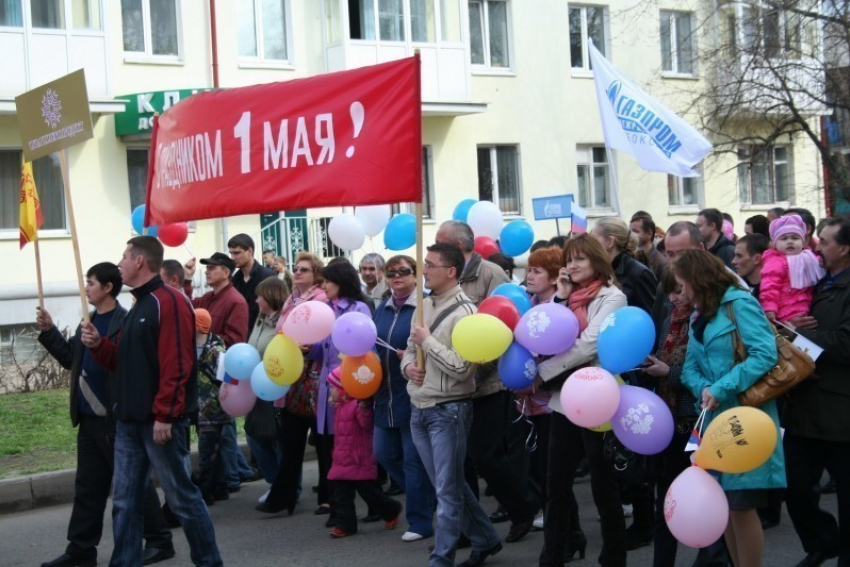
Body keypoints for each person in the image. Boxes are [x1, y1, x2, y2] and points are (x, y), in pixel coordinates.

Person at [81, 236, 223, 567]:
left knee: (183, 499)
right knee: (125, 503)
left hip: (159, 423)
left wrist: (166, 415)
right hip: (129, 422)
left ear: (140, 261)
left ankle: (209, 561)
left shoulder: (168, 302)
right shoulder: (138, 306)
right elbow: (126, 361)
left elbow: (178, 362)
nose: (119, 264)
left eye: (124, 257)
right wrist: (99, 345)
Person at [35, 262, 175, 567]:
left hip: (114, 417)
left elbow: (129, 366)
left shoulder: (123, 321)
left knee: (133, 484)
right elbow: (72, 359)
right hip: (87, 419)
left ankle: (159, 540)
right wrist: (49, 332)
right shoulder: (90, 318)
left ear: (108, 288)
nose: (86, 288)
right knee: (88, 487)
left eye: (91, 282)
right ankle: (81, 549)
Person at [676, 249, 785, 567]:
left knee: (740, 504)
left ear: (698, 278)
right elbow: (688, 370)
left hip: (746, 419)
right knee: (723, 505)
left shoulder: (739, 302)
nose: (681, 293)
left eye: (683, 285)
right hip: (713, 421)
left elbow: (765, 354)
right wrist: (706, 389)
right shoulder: (700, 315)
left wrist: (720, 388)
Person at [436, 220, 538, 544]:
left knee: (486, 457)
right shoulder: (445, 278)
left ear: (459, 245)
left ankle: (523, 508)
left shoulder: (492, 274)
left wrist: (475, 369)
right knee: (460, 460)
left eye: (440, 244)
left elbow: (505, 325)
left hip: (489, 382)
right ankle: (470, 527)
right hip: (454, 380)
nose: (435, 252)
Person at [402, 242, 502, 567]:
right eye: (424, 264)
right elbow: (407, 348)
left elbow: (463, 368)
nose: (424, 270)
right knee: (449, 486)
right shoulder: (423, 304)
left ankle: (441, 559)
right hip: (420, 406)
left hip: (449, 410)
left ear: (451, 271)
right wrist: (408, 367)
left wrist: (427, 343)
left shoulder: (468, 313)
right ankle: (486, 538)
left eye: (430, 265)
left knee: (447, 491)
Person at [536, 234, 628, 567]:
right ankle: (553, 558)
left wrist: (543, 371)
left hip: (597, 395)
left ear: (597, 262)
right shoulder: (568, 296)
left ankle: (614, 558)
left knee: (604, 486)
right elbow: (545, 331)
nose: (572, 266)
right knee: (555, 485)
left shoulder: (612, 297)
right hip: (564, 399)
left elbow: (590, 344)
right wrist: (560, 297)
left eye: (580, 260)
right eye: (569, 259)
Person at [783, 217, 850, 567]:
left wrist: (800, 338)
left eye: (823, 241)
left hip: (841, 410)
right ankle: (823, 541)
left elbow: (845, 344)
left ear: (845, 248)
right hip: (807, 405)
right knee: (795, 486)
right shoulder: (818, 282)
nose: (815, 246)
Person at [258, 252, 328, 517]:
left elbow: (321, 333)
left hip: (312, 378)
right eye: (297, 269)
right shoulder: (292, 298)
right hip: (291, 378)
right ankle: (282, 496)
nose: (298, 273)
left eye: (305, 270)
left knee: (321, 441)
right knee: (290, 442)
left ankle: (327, 496)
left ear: (316, 275)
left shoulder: (320, 299)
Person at [372, 254, 436, 542]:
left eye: (403, 271)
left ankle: (420, 521)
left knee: (413, 460)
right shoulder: (382, 309)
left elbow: (432, 344)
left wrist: (409, 356)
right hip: (383, 394)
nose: (397, 276)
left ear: (415, 275)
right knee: (384, 453)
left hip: (413, 393)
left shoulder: (424, 306)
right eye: (391, 272)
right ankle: (425, 497)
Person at [642, 266, 700, 567]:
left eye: (678, 290)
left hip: (697, 422)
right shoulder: (669, 320)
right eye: (669, 291)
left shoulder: (706, 321)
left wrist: (670, 372)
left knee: (704, 498)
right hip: (668, 419)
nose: (673, 297)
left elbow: (710, 374)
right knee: (666, 499)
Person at [312, 260, 373, 527]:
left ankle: (366, 505)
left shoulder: (358, 308)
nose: (323, 286)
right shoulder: (325, 310)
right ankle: (339, 507)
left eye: (328, 281)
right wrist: (306, 349)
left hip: (349, 387)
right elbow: (321, 350)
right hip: (326, 387)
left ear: (341, 281)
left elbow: (364, 347)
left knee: (350, 451)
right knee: (329, 450)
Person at [514, 247, 561, 531]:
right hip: (525, 400)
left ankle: (567, 530)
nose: (530, 276)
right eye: (529, 270)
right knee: (532, 464)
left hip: (550, 400)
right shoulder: (525, 303)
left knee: (550, 468)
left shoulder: (559, 308)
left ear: (555, 277)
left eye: (537, 271)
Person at [325, 369, 404, 537]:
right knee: (341, 495)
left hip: (358, 458)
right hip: (342, 458)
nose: (330, 391)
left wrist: (364, 407)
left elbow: (366, 425)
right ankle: (345, 525)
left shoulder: (357, 405)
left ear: (342, 388)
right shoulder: (339, 407)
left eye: (332, 387)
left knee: (370, 493)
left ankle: (391, 509)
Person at [244, 277, 290, 487]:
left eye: (259, 296)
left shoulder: (284, 322)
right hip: (256, 386)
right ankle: (274, 483)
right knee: (254, 434)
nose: (256, 301)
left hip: (277, 387)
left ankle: (287, 487)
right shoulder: (260, 319)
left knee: (279, 439)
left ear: (271, 297)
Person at [193, 308, 230, 505]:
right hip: (196, 406)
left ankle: (205, 492)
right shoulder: (189, 344)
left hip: (213, 406)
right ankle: (220, 487)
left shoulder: (216, 347)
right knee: (213, 448)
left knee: (207, 450)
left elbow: (226, 376)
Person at [759, 215, 824, 323]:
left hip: (807, 306)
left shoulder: (809, 257)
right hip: (786, 310)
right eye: (784, 238)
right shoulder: (775, 261)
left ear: (803, 242)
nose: (790, 242)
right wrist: (769, 307)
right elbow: (769, 286)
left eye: (795, 238)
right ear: (775, 244)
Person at [592, 217, 657, 313]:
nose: (589, 246)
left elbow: (652, 315)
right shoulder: (600, 271)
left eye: (593, 240)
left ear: (610, 242)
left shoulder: (639, 273)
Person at [185, 252, 249, 348]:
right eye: (207, 268)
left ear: (226, 273)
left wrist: (204, 340)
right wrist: (187, 278)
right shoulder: (207, 297)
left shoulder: (237, 302)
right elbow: (185, 307)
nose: (206, 272)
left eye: (212, 268)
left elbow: (235, 341)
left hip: (221, 361)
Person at [228, 233, 277, 331]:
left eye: (237, 253)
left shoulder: (267, 276)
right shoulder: (234, 280)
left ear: (249, 251)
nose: (233, 258)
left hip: (263, 333)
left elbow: (276, 310)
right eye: (231, 253)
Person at [630, 214, 667, 279]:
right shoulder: (633, 258)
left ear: (649, 233)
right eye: (630, 232)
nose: (631, 235)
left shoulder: (661, 263)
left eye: (635, 231)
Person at [733, 234, 770, 299]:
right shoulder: (735, 288)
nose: (733, 261)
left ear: (756, 259)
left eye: (739, 256)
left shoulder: (771, 292)